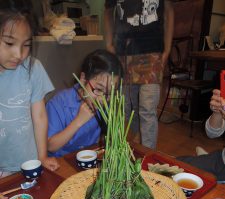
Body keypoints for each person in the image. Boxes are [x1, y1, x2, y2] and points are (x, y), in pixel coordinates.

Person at [0, 1, 59, 199]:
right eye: (9, 43)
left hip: (30, 163)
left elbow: (40, 116)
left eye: (26, 45)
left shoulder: (33, 68)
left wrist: (41, 157)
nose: (19, 54)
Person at [104, 0, 174, 149]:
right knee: (126, 109)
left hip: (152, 52)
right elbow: (109, 11)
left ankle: (147, 155)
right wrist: (109, 43)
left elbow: (168, 11)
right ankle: (139, 139)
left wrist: (167, 49)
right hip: (123, 53)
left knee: (147, 109)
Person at [46, 49, 123, 157]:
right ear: (83, 79)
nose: (103, 99)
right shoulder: (58, 103)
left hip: (90, 157)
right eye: (99, 90)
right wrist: (78, 121)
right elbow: (50, 146)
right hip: (61, 161)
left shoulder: (106, 102)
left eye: (110, 93)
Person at [177, 89, 225, 181]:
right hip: (221, 158)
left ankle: (204, 158)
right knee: (175, 164)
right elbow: (212, 133)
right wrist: (217, 112)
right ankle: (204, 157)